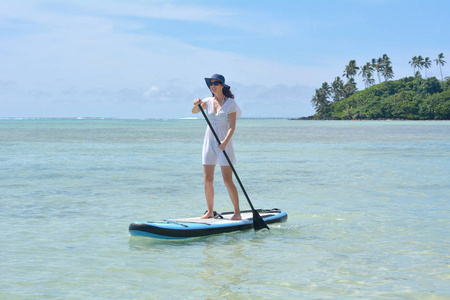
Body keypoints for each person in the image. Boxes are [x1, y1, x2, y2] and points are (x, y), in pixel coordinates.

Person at [192, 74, 242, 220]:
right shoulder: (207, 101)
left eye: (216, 83)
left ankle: (237, 212)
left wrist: (225, 142)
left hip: (224, 144)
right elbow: (194, 111)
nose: (212, 85)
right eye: (211, 83)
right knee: (208, 179)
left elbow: (232, 126)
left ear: (222, 86)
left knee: (227, 179)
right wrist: (196, 104)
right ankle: (209, 211)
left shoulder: (230, 103)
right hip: (209, 142)